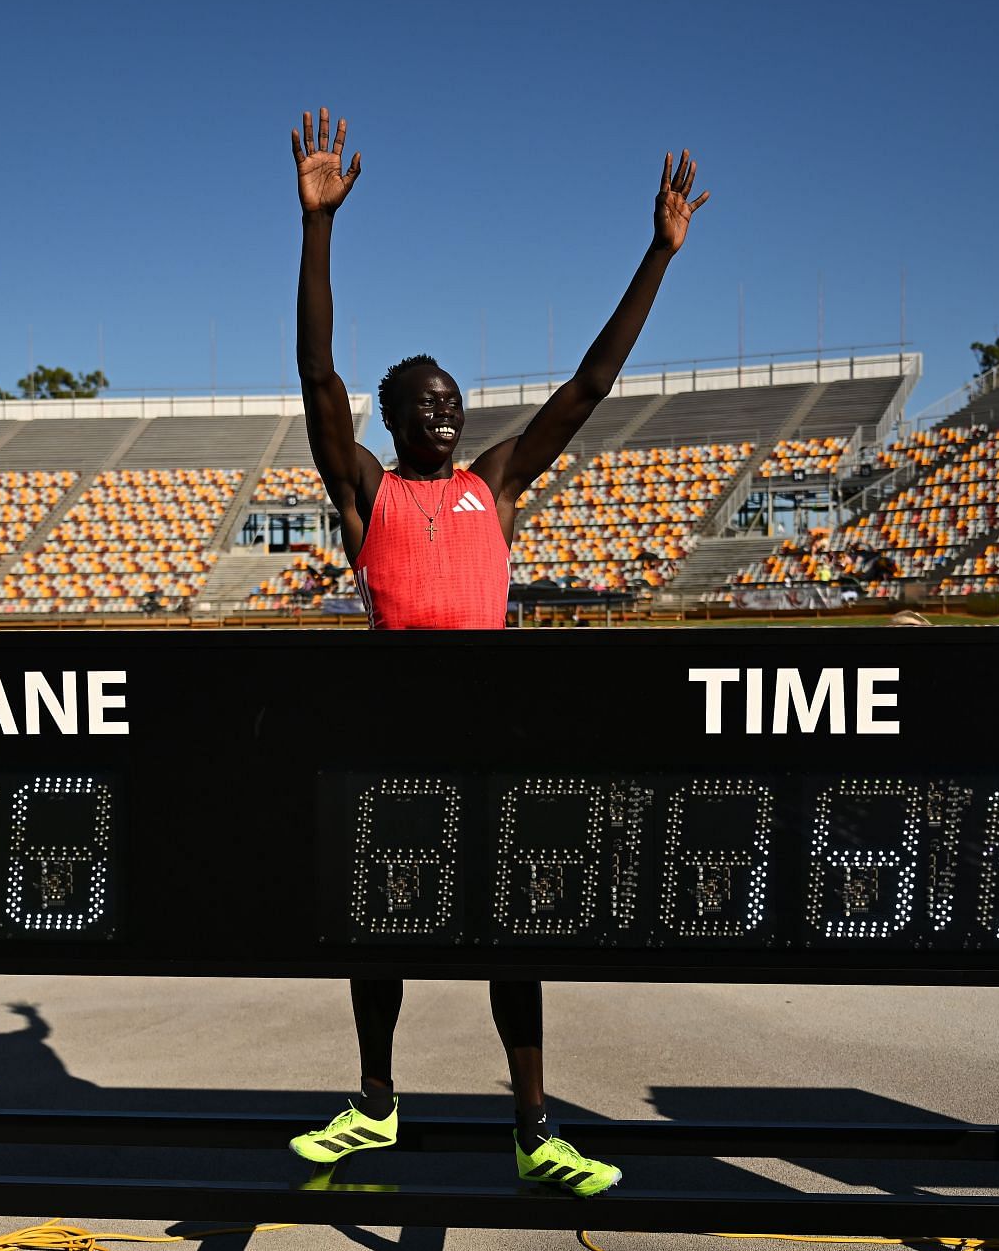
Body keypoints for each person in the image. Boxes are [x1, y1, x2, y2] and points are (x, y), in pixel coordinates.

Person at [284, 106, 708, 1197]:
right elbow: (318, 371)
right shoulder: (365, 489)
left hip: (491, 742)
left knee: (511, 940)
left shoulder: (496, 486)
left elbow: (589, 387)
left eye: (454, 401)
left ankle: (532, 1127)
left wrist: (655, 256)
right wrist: (317, 227)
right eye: (425, 405)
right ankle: (374, 1106)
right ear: (389, 422)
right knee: (376, 936)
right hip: (393, 740)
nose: (446, 412)